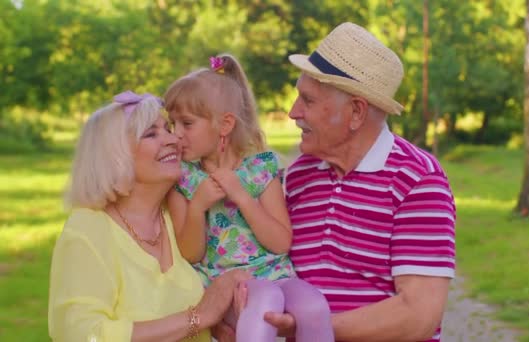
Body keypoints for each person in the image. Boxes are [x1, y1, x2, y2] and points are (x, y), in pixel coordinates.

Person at [264, 22, 457, 342]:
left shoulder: (418, 181)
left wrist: (311, 328)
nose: (292, 112)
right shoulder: (298, 176)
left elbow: (418, 315)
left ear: (356, 112)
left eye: (308, 101)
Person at [48, 91, 250, 342]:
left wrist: (227, 324)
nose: (173, 138)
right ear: (115, 156)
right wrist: (199, 318)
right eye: (151, 134)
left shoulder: (180, 216)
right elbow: (82, 335)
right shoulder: (88, 228)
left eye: (167, 128)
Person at [164, 54, 334, 342]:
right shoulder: (184, 180)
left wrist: (243, 198)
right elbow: (190, 254)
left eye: (186, 124)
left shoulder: (258, 170)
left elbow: (281, 243)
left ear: (225, 125)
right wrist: (198, 207)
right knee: (264, 299)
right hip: (226, 285)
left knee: (314, 306)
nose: (176, 134)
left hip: (276, 273)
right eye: (172, 124)